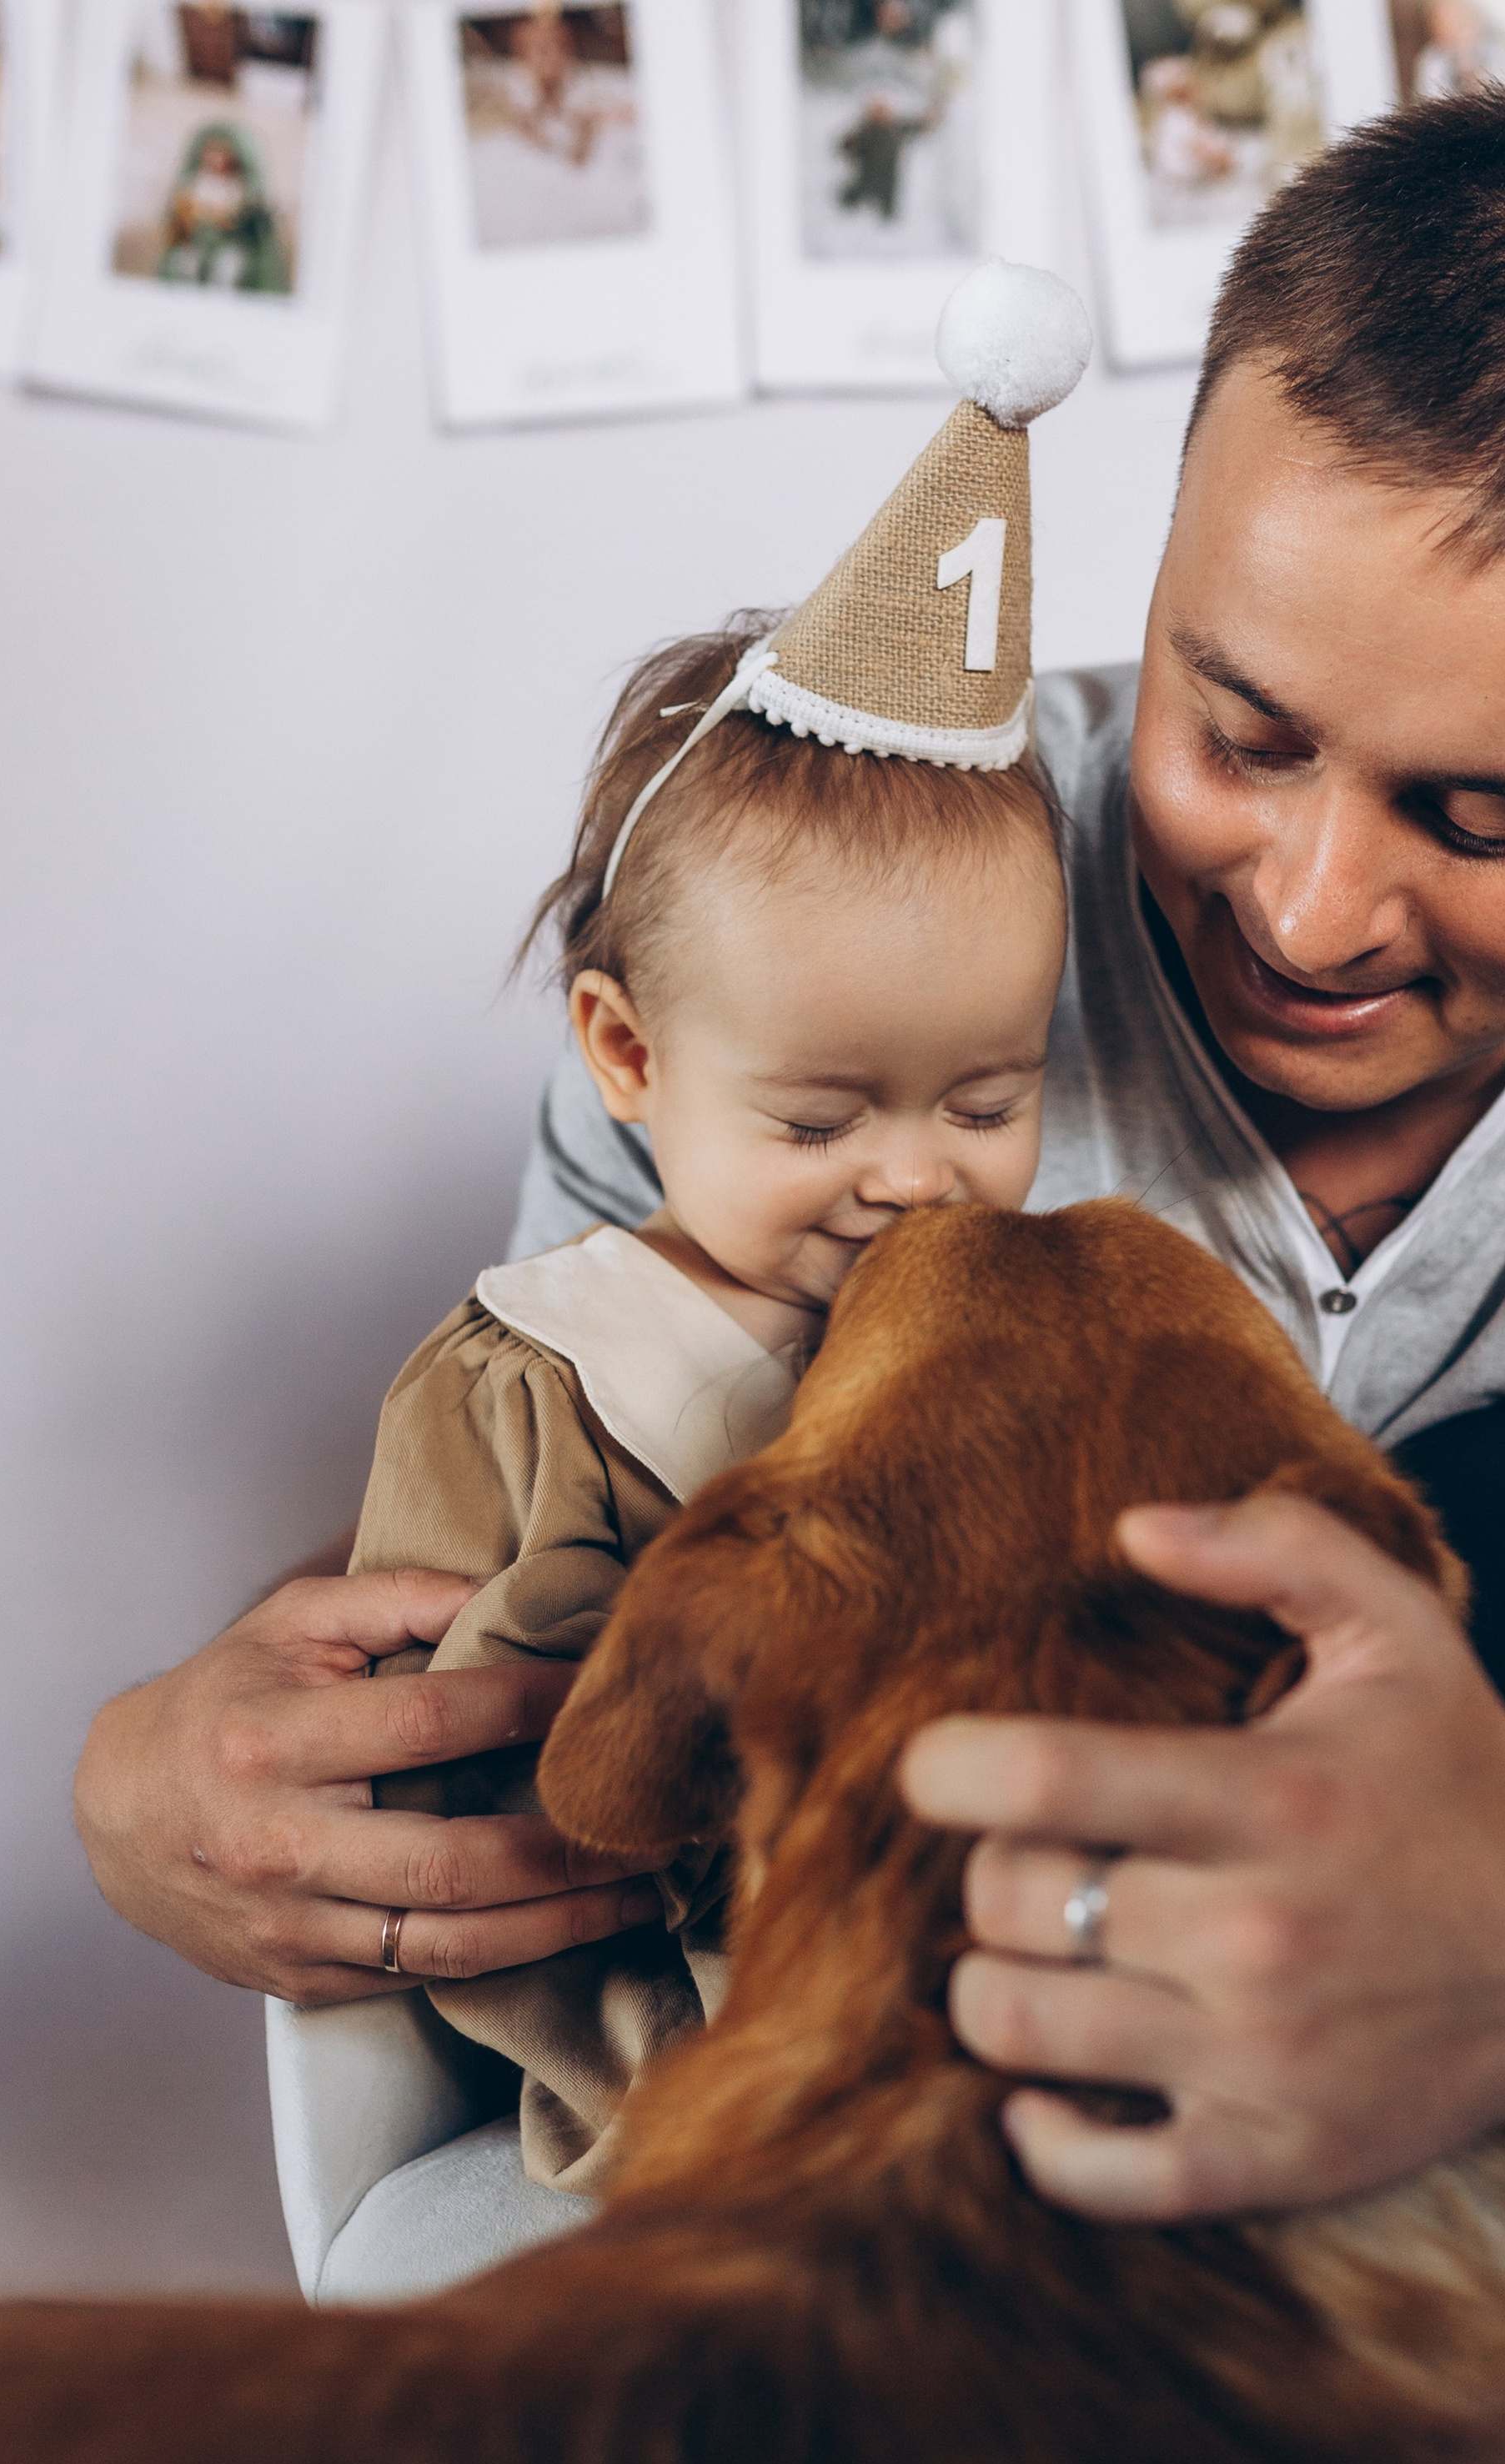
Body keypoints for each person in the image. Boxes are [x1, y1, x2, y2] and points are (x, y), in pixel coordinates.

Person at [78, 91, 1505, 2224]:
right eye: (1235, 728)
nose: (1309, 911)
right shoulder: (827, 894)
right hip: (899, 2160)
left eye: (1482, 818)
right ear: (1160, 567)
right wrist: (157, 1780)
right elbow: (546, 1542)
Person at [340, 263, 1081, 2184]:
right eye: (820, 1113)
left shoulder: (1011, 1324)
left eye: (985, 1101)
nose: (911, 1172)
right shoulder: (539, 1382)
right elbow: (477, 1742)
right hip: (694, 2010)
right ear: (625, 1051)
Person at [157, 123, 291, 295]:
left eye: (222, 154)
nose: (216, 159)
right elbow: (180, 220)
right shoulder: (193, 184)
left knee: (228, 267)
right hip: (196, 243)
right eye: (212, 153)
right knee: (183, 263)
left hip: (229, 245)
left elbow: (249, 223)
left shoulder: (241, 188)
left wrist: (231, 217)